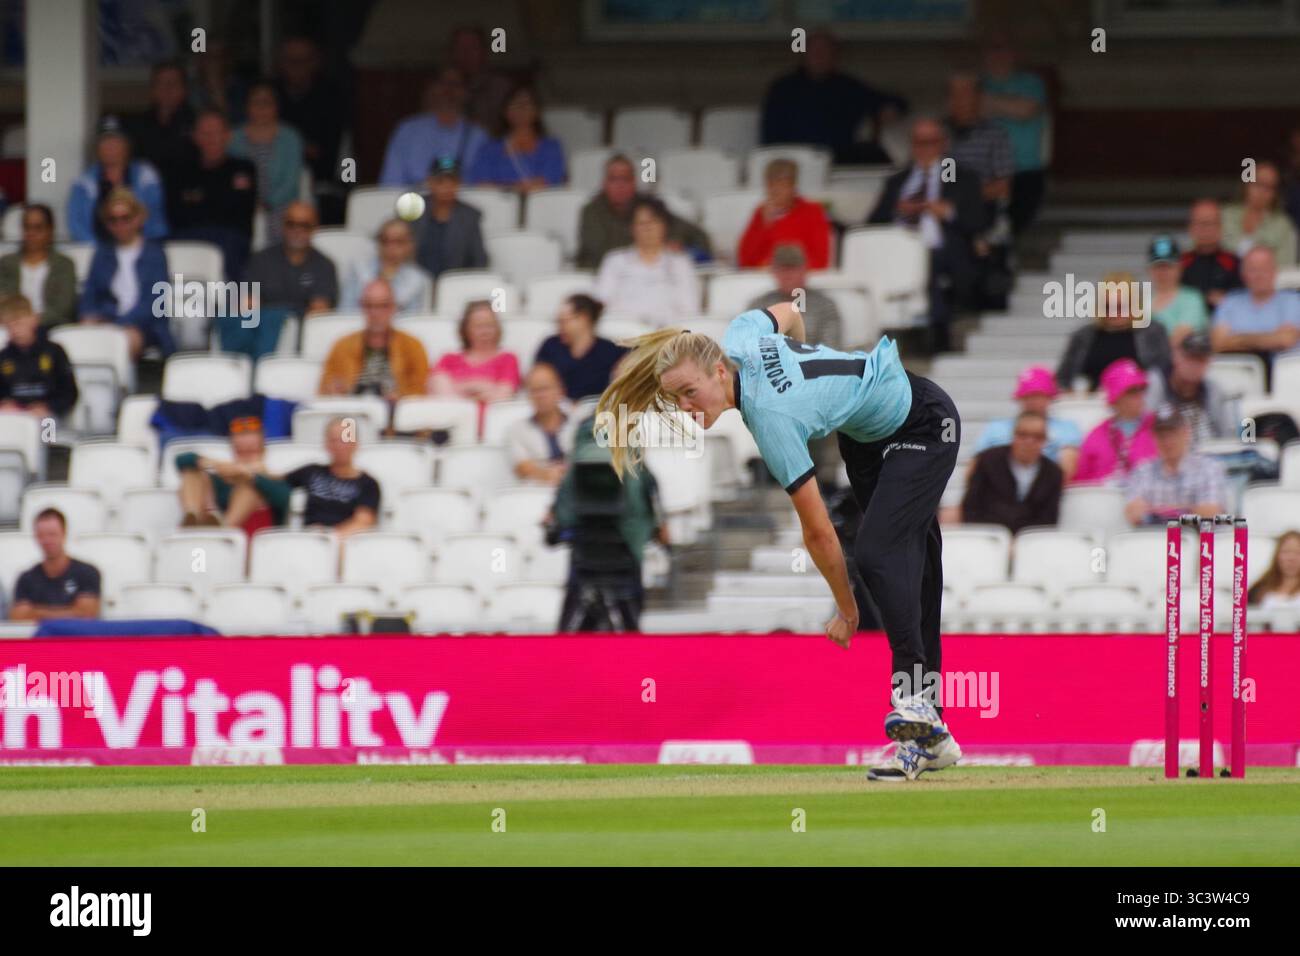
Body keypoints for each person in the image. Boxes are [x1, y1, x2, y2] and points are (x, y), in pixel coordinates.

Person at [596, 302, 963, 781]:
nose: (686, 407)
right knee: (912, 566)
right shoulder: (742, 335)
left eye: (690, 392)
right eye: (677, 398)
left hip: (924, 423)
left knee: (879, 552)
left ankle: (914, 702)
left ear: (719, 370)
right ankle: (930, 737)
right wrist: (801, 356)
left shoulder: (771, 417)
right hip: (866, 439)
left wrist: (847, 609)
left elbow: (817, 532)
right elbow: (789, 311)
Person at [868, 118, 986, 354]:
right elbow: (872, 222)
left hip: (940, 250)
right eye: (919, 143)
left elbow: (978, 221)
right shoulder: (898, 181)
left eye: (930, 142)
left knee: (929, 263)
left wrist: (948, 211)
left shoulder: (957, 175)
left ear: (943, 144)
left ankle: (936, 335)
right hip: (897, 250)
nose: (924, 149)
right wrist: (897, 209)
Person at [760, 29, 906, 164]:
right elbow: (770, 136)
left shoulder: (848, 87)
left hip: (839, 160)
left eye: (825, 51)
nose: (819, 56)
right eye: (814, 50)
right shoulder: (783, 89)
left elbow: (893, 102)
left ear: (835, 56)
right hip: (795, 161)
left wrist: (891, 109)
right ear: (804, 54)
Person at [78, 187, 174, 358]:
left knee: (124, 340)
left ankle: (121, 385)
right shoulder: (102, 253)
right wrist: (89, 318)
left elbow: (153, 304)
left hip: (146, 326)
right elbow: (89, 295)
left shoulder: (155, 254)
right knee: (82, 337)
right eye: (112, 220)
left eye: (125, 218)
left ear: (138, 218)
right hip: (106, 320)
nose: (119, 225)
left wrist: (117, 324)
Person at [576, 154, 712, 270]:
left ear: (634, 182)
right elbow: (603, 254)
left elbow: (699, 236)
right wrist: (657, 246)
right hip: (602, 276)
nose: (620, 186)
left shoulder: (648, 206)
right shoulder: (591, 212)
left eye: (626, 179)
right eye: (613, 179)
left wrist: (681, 247)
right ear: (604, 183)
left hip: (651, 275)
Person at [165, 110, 257, 281]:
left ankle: (239, 305)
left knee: (230, 247)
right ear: (195, 137)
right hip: (189, 237)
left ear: (228, 135)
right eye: (205, 133)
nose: (211, 138)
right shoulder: (180, 171)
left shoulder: (243, 169)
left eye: (216, 132)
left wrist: (200, 201)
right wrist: (213, 202)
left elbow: (239, 214)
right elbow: (176, 215)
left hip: (231, 239)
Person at [1055, 271, 1171, 392]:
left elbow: (1163, 374)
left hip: (1139, 401)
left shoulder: (1152, 332)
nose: (1114, 312)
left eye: (1121, 306)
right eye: (1108, 306)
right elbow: (1063, 378)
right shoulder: (1083, 336)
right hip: (1090, 402)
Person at [980, 37, 1048, 235]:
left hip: (1024, 171)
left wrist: (987, 103)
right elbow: (966, 112)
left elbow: (1026, 110)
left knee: (1017, 225)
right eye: (993, 49)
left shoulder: (1031, 83)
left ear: (1014, 54)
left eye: (1003, 49)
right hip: (985, 173)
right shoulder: (978, 84)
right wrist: (1009, 105)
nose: (998, 56)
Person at [594, 198, 700, 323]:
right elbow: (601, 305)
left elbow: (690, 310)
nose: (648, 228)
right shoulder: (614, 261)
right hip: (622, 336)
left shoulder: (680, 263)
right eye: (641, 223)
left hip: (668, 336)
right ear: (631, 228)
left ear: (665, 226)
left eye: (654, 222)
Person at [319, 278, 429, 399]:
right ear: (362, 307)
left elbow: (421, 392)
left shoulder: (412, 346)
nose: (375, 313)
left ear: (393, 307)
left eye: (382, 306)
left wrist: (399, 397)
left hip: (395, 414)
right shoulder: (342, 347)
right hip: (352, 413)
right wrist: (334, 390)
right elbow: (324, 390)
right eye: (369, 306)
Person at [175, 416, 288, 532]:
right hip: (208, 533)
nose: (246, 455)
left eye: (251, 450)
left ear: (263, 450)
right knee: (192, 474)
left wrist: (250, 475)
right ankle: (192, 518)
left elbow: (284, 499)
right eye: (241, 451)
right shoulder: (222, 480)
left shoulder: (273, 480)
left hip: (254, 543)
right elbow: (182, 460)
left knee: (249, 487)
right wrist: (213, 463)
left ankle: (223, 530)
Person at [379, 67, 488, 187]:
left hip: (463, 202)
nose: (449, 90)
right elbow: (390, 183)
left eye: (456, 85)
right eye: (443, 83)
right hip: (414, 202)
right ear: (432, 88)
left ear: (466, 92)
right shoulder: (408, 131)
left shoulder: (478, 135)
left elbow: (484, 186)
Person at [67, 116, 168, 243]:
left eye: (116, 140)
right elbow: (77, 226)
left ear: (127, 145)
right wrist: (98, 252)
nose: (110, 146)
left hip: (141, 251)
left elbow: (155, 220)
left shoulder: (146, 176)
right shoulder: (83, 183)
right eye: (105, 141)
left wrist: (140, 250)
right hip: (98, 254)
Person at [1122, 405, 1228, 526]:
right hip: (1156, 540)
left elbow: (1211, 513)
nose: (1167, 441)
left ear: (1186, 432)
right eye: (1161, 435)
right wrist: (1186, 510)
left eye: (1173, 433)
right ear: (1154, 437)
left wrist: (1161, 512)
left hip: (1200, 540)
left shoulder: (1209, 468)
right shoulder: (1143, 470)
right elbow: (1133, 513)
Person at [229, 80, 306, 245]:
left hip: (281, 205)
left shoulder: (291, 138)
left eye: (267, 103)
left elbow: (291, 182)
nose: (261, 108)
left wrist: (267, 203)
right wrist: (249, 203)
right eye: (256, 102)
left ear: (276, 106)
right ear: (247, 106)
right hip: (243, 206)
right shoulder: (232, 138)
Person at [428, 300, 521, 435]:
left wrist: (460, 388)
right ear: (465, 329)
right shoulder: (448, 359)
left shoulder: (508, 359)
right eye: (478, 326)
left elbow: (504, 396)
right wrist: (485, 387)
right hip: (452, 427)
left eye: (489, 325)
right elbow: (443, 398)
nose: (485, 331)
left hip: (494, 428)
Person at [972, 365, 1081, 481]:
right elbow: (973, 470)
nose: (1031, 401)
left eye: (1037, 395)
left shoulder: (1067, 429)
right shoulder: (996, 428)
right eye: (1027, 396)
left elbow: (1066, 471)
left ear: (1050, 397)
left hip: (1045, 493)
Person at [961, 410, 1062, 533]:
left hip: (1030, 540)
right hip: (988, 535)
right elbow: (971, 506)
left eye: (1037, 437)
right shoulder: (988, 461)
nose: (1029, 441)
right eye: (1023, 435)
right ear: (1013, 435)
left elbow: (1049, 519)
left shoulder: (1053, 473)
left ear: (1045, 440)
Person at [1210, 246, 1300, 384]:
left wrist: (1237, 339)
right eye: (1253, 269)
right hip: (1239, 378)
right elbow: (1218, 343)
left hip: (1285, 379)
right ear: (1243, 274)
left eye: (1264, 268)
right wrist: (1270, 338)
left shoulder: (1293, 300)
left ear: (1275, 271)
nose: (1259, 275)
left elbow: (1286, 340)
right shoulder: (1230, 302)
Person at [282, 418, 380, 538]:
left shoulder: (368, 484)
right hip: (308, 538)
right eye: (334, 440)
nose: (339, 446)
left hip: (345, 541)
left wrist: (330, 537)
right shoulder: (311, 471)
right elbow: (277, 483)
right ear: (326, 444)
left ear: (355, 444)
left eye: (344, 440)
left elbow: (363, 521)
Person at [244, 201, 338, 320]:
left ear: (315, 228)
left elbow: (319, 313)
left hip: (304, 333)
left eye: (305, 225)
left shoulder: (325, 266)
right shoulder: (260, 260)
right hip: (265, 330)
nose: (297, 230)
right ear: (282, 226)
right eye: (291, 224)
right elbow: (248, 305)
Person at [464, 85, 566, 193]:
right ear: (505, 111)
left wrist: (505, 188)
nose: (521, 109)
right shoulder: (489, 149)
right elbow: (481, 184)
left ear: (537, 111)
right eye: (515, 104)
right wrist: (520, 188)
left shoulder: (551, 148)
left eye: (527, 104)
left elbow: (548, 183)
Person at [1072, 359, 1158, 486]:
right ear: (1115, 398)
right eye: (1132, 391)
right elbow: (1080, 484)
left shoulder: (1161, 427)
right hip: (1104, 503)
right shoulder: (1095, 436)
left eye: (1142, 389)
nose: (1140, 395)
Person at [273, 37, 344, 187]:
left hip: (319, 183)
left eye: (303, 60)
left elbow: (326, 153)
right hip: (272, 178)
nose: (297, 66)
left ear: (316, 62)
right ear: (280, 63)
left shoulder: (331, 96)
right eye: (291, 60)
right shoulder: (271, 94)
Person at [1144, 333, 1239, 447]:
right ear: (1176, 357)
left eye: (1200, 360)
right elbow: (1144, 429)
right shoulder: (1156, 383)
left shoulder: (1213, 390)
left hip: (1209, 456)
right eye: (1189, 358)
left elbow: (1226, 436)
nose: (1194, 365)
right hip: (1165, 454)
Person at [8, 509, 101, 622]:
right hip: (41, 639)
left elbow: (87, 613)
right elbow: (18, 616)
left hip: (76, 638)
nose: (47, 540)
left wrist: (35, 611)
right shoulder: (26, 578)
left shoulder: (87, 572)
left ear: (64, 534)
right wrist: (71, 610)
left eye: (52, 534)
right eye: (41, 535)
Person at [737, 159, 831, 269]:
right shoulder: (761, 213)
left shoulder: (813, 212)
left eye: (781, 185)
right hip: (762, 279)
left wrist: (783, 268)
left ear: (793, 187)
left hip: (799, 281)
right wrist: (764, 226)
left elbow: (820, 261)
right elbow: (744, 260)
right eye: (770, 186)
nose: (775, 191)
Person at [746, 243, 843, 349]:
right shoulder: (759, 306)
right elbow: (748, 348)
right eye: (782, 269)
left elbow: (830, 351)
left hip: (812, 363)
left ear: (805, 270)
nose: (788, 276)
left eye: (793, 269)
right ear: (773, 272)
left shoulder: (824, 307)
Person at [0, 294, 78, 420]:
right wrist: (5, 403)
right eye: (10, 326)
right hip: (15, 417)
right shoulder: (3, 357)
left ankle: (50, 440)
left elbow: (69, 393)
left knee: (48, 429)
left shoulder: (54, 352)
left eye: (19, 323)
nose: (16, 330)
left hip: (50, 416)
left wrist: (49, 407)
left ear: (33, 319)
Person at [535, 294, 627, 401]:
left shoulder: (610, 351)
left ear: (583, 318)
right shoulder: (550, 346)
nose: (559, 326)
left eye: (564, 321)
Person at [0, 204, 78, 327]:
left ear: (50, 230)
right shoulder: (7, 263)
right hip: (12, 328)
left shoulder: (64, 265)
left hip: (51, 328)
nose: (31, 233)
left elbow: (64, 307)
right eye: (27, 227)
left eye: (38, 228)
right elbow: (3, 298)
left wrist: (33, 321)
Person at [411, 157, 489, 279]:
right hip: (414, 283)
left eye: (452, 181)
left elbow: (479, 260)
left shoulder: (470, 216)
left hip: (456, 284)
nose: (447, 186)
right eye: (441, 181)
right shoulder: (413, 209)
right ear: (429, 182)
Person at [340, 218, 432, 315]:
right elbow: (344, 314)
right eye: (385, 240)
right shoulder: (358, 270)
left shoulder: (418, 280)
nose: (391, 247)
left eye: (398, 241)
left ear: (409, 245)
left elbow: (414, 322)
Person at [124, 61, 195, 186]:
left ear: (185, 89)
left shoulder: (197, 123)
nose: (167, 89)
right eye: (160, 83)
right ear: (152, 89)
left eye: (173, 83)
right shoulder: (137, 125)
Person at [507, 363, 574, 486]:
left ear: (560, 390)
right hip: (537, 492)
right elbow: (522, 467)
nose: (540, 395)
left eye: (545, 388)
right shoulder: (517, 430)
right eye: (534, 390)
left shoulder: (579, 424)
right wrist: (546, 475)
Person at [1221, 160, 1298, 266]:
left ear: (1275, 194)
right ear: (1246, 183)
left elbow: (1286, 267)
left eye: (1269, 187)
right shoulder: (1223, 215)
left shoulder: (1283, 226)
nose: (1262, 191)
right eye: (1257, 183)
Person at [1146, 235, 1208, 347]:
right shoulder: (1142, 301)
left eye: (1168, 266)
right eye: (1157, 266)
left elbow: (1180, 337)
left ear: (1180, 268)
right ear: (1149, 269)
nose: (1163, 272)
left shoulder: (1192, 299)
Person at [1181, 200, 1243, 310]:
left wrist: (1226, 300)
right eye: (1200, 223)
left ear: (1220, 227)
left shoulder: (1234, 263)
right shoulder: (1180, 264)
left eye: (1209, 223)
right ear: (1190, 228)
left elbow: (1245, 300)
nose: (1205, 229)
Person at [448, 25, 512, 129]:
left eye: (472, 47)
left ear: (484, 51)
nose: (466, 53)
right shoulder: (441, 89)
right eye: (460, 47)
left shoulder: (500, 87)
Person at [1247, 530, 1300, 609]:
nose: (1291, 558)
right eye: (1286, 552)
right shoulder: (1258, 589)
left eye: (1297, 552)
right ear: (1277, 555)